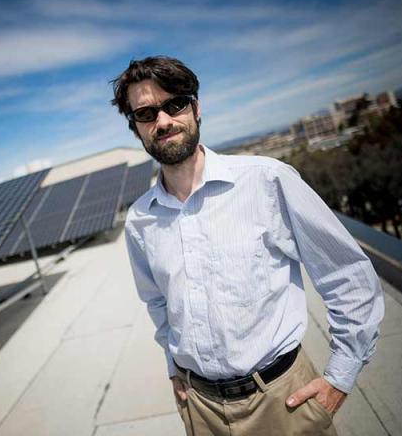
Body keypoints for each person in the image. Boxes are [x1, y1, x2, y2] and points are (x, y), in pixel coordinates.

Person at [111, 56, 384, 435]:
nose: (163, 121)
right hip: (200, 408)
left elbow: (347, 273)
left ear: (196, 108)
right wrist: (174, 367)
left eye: (175, 104)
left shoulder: (267, 181)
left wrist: (340, 376)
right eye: (146, 113)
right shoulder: (141, 220)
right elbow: (158, 303)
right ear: (135, 127)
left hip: (284, 401)